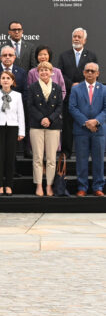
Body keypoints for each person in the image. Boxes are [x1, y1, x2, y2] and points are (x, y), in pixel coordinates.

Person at [57, 27, 98, 155]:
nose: (76, 39)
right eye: (74, 36)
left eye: (79, 37)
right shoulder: (64, 55)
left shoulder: (91, 56)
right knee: (67, 125)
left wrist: (79, 85)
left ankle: (84, 151)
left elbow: (94, 74)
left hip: (85, 95)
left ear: (84, 40)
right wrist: (72, 84)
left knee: (84, 123)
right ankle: (66, 151)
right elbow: (60, 74)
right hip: (68, 94)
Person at [0, 70, 26, 195]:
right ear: (0, 81)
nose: (5, 80)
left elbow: (21, 114)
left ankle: (9, 185)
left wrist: (22, 131)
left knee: (10, 157)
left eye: (8, 78)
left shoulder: (17, 95)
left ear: (12, 81)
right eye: (3, 78)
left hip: (13, 127)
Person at [69, 62, 106, 197]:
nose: (90, 73)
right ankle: (82, 187)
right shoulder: (76, 89)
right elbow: (72, 108)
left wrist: (96, 121)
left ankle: (98, 187)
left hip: (99, 130)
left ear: (98, 73)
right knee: (81, 160)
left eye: (93, 71)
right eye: (87, 71)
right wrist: (86, 123)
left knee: (98, 160)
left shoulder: (104, 89)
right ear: (83, 73)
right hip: (81, 130)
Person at [26, 61, 62, 197]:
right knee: (38, 157)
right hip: (36, 125)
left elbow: (59, 106)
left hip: (53, 126)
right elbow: (30, 106)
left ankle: (49, 186)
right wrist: (42, 118)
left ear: (51, 72)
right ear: (37, 73)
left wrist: (50, 119)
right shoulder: (32, 87)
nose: (44, 72)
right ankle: (39, 185)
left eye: (47, 70)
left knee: (52, 159)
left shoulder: (57, 88)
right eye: (41, 70)